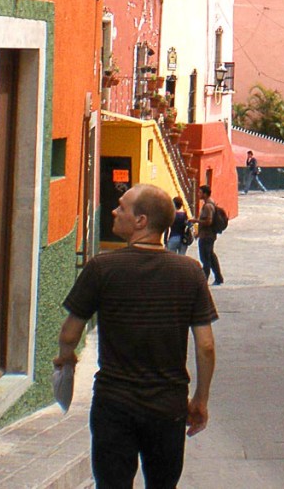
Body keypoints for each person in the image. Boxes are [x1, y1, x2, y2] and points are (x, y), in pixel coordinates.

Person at [54, 184, 217, 489]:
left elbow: (70, 332)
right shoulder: (190, 272)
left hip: (114, 404)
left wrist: (66, 358)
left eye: (122, 207)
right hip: (167, 405)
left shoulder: (102, 268)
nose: (114, 212)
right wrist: (200, 400)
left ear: (141, 220)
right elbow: (205, 346)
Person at [190, 184, 224, 286]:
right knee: (211, 256)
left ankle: (204, 279)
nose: (198, 194)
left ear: (205, 194)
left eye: (200, 192)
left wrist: (195, 221)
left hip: (207, 236)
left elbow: (208, 221)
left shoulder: (208, 206)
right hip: (207, 235)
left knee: (205, 258)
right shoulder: (210, 203)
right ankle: (218, 277)